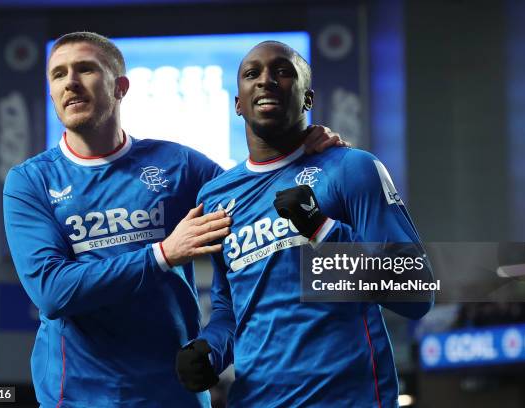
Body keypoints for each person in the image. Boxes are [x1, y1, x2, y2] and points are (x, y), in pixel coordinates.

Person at [2, 32, 344, 407]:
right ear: (51, 92)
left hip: (174, 394)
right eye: (58, 74)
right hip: (79, 397)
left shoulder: (179, 166)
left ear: (120, 87)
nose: (70, 82)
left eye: (85, 69)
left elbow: (258, 198)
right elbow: (53, 291)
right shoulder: (31, 180)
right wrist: (162, 254)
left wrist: (306, 146)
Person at [175, 41, 434, 407]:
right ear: (237, 103)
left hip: (347, 399)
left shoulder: (350, 169)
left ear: (307, 98)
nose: (266, 80)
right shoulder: (216, 197)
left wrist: (323, 230)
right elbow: (230, 312)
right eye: (252, 74)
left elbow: (415, 291)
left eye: (282, 71)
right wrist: (209, 350)